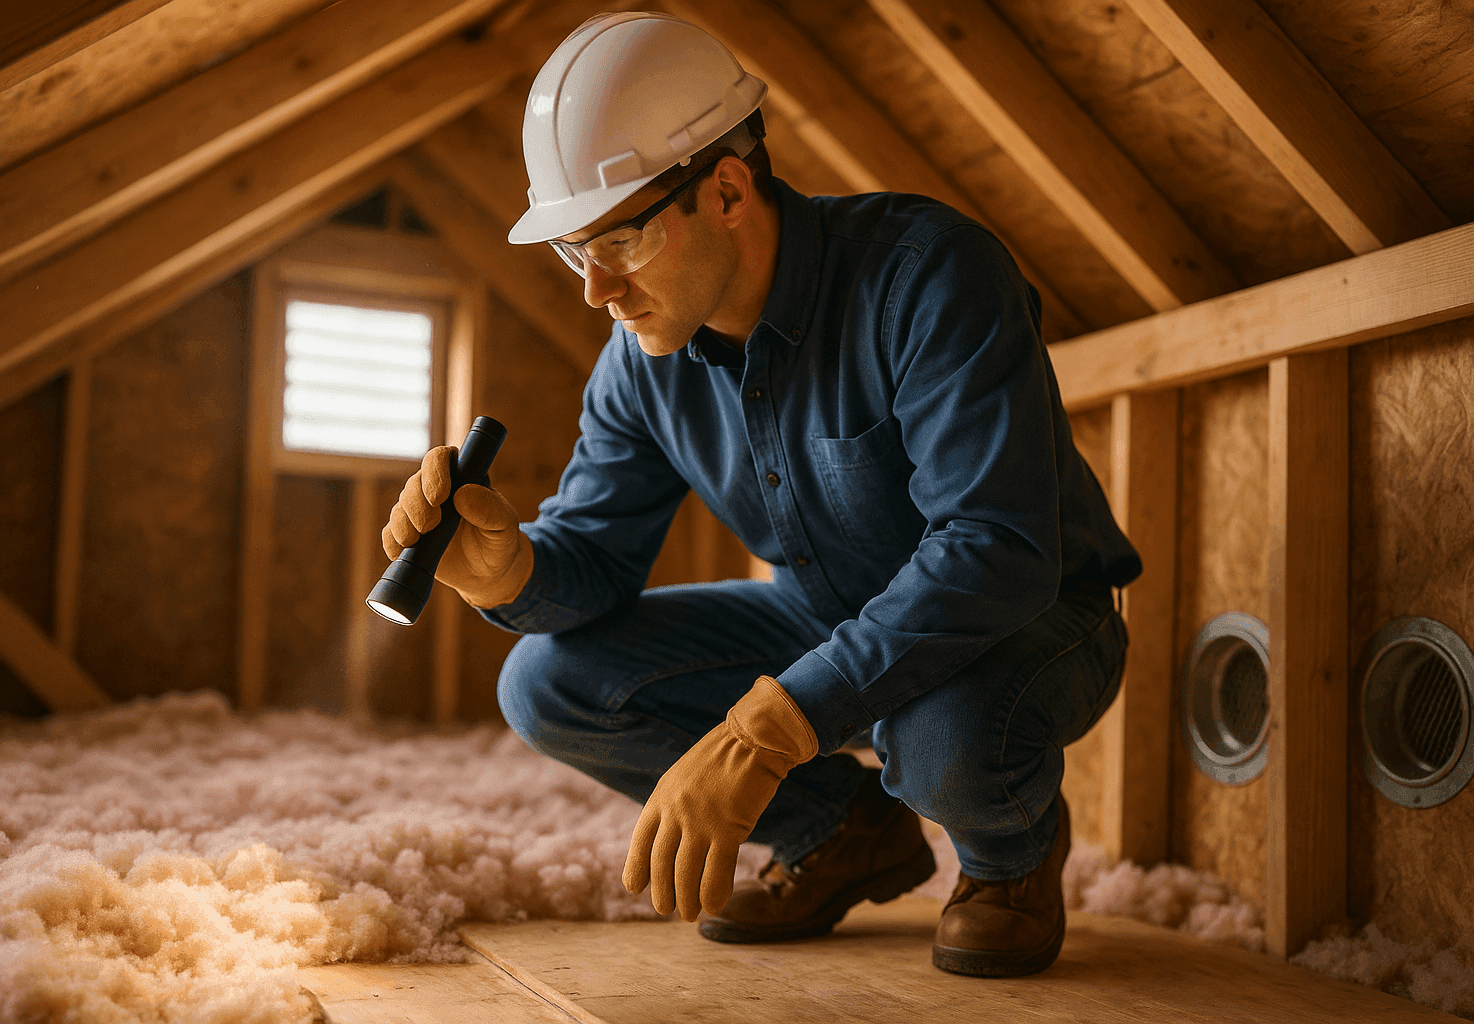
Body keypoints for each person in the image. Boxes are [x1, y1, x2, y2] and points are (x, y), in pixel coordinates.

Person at [382, 11, 1141, 977]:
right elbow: (597, 558)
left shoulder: (928, 276)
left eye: (620, 241)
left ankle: (1008, 859)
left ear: (729, 189)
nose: (596, 292)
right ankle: (845, 831)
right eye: (576, 252)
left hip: (1033, 619)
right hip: (825, 612)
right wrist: (506, 571)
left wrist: (767, 731)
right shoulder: (639, 361)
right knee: (547, 682)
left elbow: (995, 548)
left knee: (937, 730)